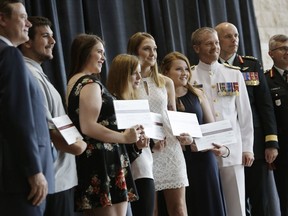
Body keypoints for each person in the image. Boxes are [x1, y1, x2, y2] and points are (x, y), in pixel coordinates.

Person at [66, 33, 143, 216]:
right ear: (85, 53)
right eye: (99, 52)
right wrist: (124, 137)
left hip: (101, 159)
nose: (103, 58)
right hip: (101, 160)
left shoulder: (76, 81)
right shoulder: (89, 83)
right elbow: (88, 126)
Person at [19, 16, 87, 216]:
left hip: (60, 180)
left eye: (52, 36)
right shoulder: (29, 75)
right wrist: (78, 145)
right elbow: (47, 130)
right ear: (27, 41)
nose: (53, 41)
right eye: (45, 36)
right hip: (54, 180)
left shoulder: (36, 73)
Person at [215, 22, 279, 216]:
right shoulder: (212, 67)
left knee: (260, 197)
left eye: (236, 35)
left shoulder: (250, 64)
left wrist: (271, 142)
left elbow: (265, 105)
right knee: (234, 200)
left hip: (255, 142)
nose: (234, 40)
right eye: (228, 36)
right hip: (227, 143)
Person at [190, 27, 254, 216]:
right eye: (208, 43)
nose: (214, 47)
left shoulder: (233, 74)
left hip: (232, 149)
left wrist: (247, 148)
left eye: (216, 42)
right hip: (203, 151)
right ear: (196, 48)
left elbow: (245, 115)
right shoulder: (190, 76)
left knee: (237, 206)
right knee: (209, 205)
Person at [0, 1, 54, 216]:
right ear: (2, 19)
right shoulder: (9, 55)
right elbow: (17, 117)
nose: (29, 24)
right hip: (20, 179)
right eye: (22, 17)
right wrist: (34, 170)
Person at [127, 32, 188, 216]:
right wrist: (150, 138)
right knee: (150, 209)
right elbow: (129, 118)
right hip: (145, 148)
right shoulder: (128, 81)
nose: (152, 53)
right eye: (146, 49)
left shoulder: (166, 82)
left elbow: (172, 115)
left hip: (170, 147)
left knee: (178, 207)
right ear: (134, 52)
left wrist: (185, 134)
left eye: (154, 49)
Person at [161, 51, 227, 216]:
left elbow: (211, 128)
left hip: (202, 159)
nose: (184, 73)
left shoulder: (197, 94)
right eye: (179, 69)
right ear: (166, 73)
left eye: (186, 69)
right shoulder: (160, 98)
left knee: (208, 205)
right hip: (173, 160)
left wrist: (196, 142)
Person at [106, 54, 154, 216]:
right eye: (135, 73)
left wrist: (148, 143)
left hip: (144, 168)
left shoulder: (136, 101)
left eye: (140, 72)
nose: (140, 77)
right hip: (128, 172)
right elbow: (115, 144)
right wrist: (136, 147)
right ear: (123, 75)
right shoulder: (111, 105)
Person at [265, 34, 288, 216]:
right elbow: (267, 116)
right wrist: (271, 145)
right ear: (271, 53)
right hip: (284, 150)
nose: (287, 52)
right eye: (283, 49)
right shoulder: (266, 80)